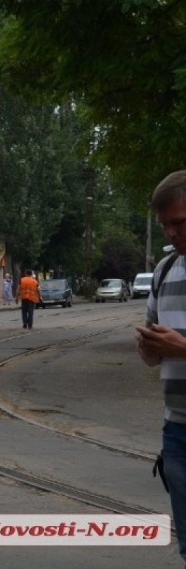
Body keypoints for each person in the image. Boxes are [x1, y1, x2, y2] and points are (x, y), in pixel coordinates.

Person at [135, 170, 186, 567]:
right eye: (165, 225)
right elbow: (155, 351)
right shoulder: (165, 272)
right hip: (177, 432)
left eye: (179, 223)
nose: (171, 234)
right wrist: (150, 350)